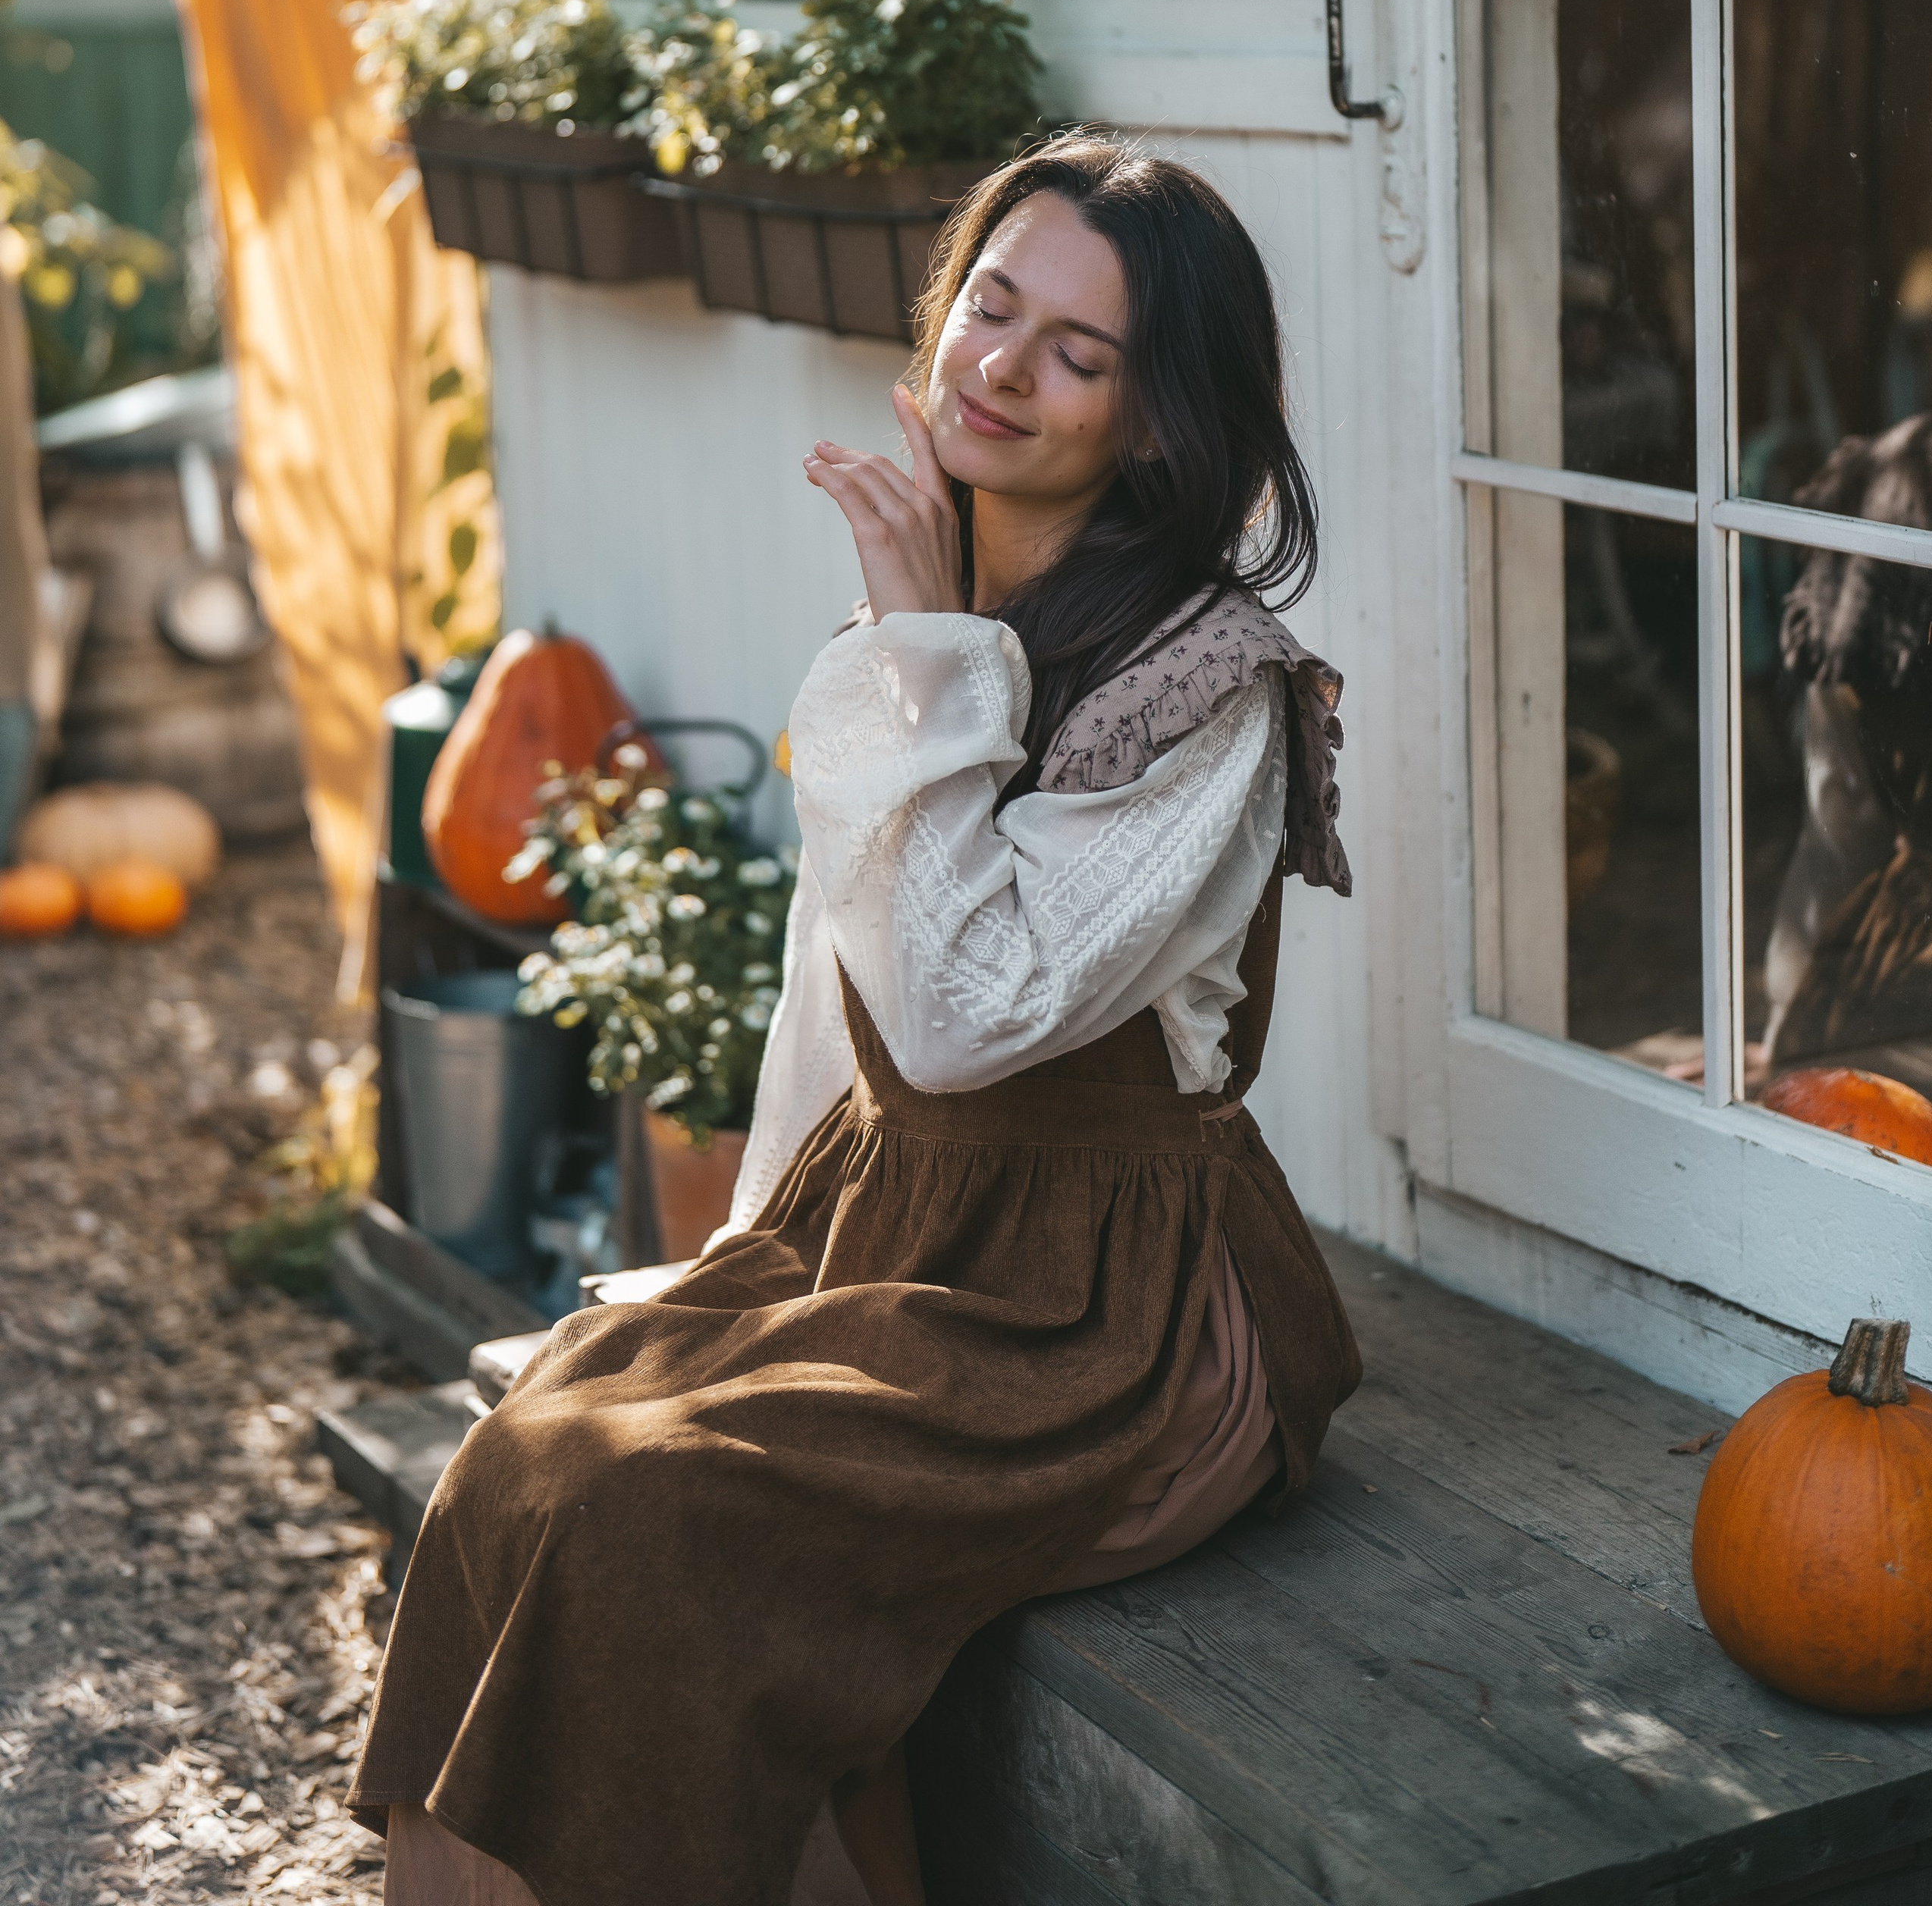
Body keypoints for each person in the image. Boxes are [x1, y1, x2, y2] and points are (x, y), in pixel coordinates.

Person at [353, 133, 1361, 1906]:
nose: (999, 367)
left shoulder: (1206, 692)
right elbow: (849, 979)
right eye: (992, 303)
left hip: (1099, 1310)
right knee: (528, 1458)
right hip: (885, 1229)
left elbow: (967, 1021)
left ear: (1156, 417)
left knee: (649, 1528)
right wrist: (745, 1258)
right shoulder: (941, 612)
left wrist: (923, 644)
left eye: (1079, 353)